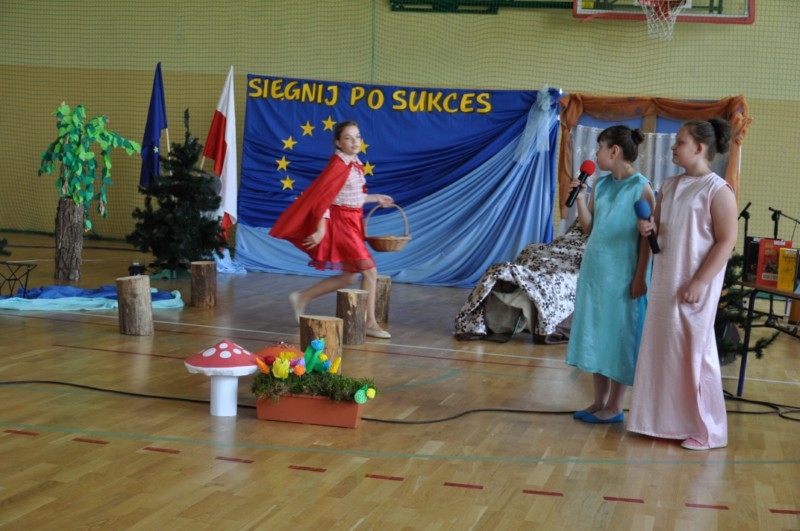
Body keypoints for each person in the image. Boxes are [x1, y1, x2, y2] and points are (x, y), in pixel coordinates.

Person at [627, 119, 737, 450]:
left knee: (695, 352)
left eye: (680, 142)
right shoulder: (670, 185)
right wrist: (649, 228)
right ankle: (661, 422)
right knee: (665, 349)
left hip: (694, 283)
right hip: (666, 280)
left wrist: (700, 281)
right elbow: (661, 226)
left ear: (699, 148)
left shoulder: (718, 190)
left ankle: (708, 431)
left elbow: (726, 241)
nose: (673, 147)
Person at [269, 120, 394, 339]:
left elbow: (352, 197)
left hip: (353, 221)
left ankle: (302, 297)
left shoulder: (353, 163)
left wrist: (377, 198)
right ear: (338, 142)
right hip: (342, 224)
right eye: (348, 138)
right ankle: (370, 323)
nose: (355, 142)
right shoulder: (338, 165)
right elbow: (323, 200)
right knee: (370, 271)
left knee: (348, 277)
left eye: (357, 137)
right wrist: (320, 230)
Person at [566, 125, 654, 424]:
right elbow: (589, 227)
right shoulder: (601, 185)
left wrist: (640, 277)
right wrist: (580, 198)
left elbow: (648, 238)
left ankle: (615, 406)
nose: (595, 154)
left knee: (619, 339)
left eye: (599, 147)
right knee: (597, 335)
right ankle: (598, 401)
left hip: (623, 276)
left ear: (614, 151)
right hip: (596, 273)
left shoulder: (641, 188)